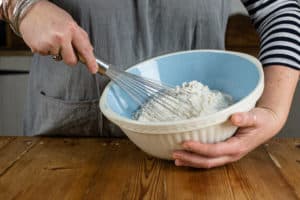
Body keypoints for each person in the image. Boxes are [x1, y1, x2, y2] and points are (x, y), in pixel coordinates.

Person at [0, 0, 299, 168]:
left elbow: (281, 11)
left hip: (200, 155)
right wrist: (19, 6)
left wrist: (274, 109)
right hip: (67, 154)